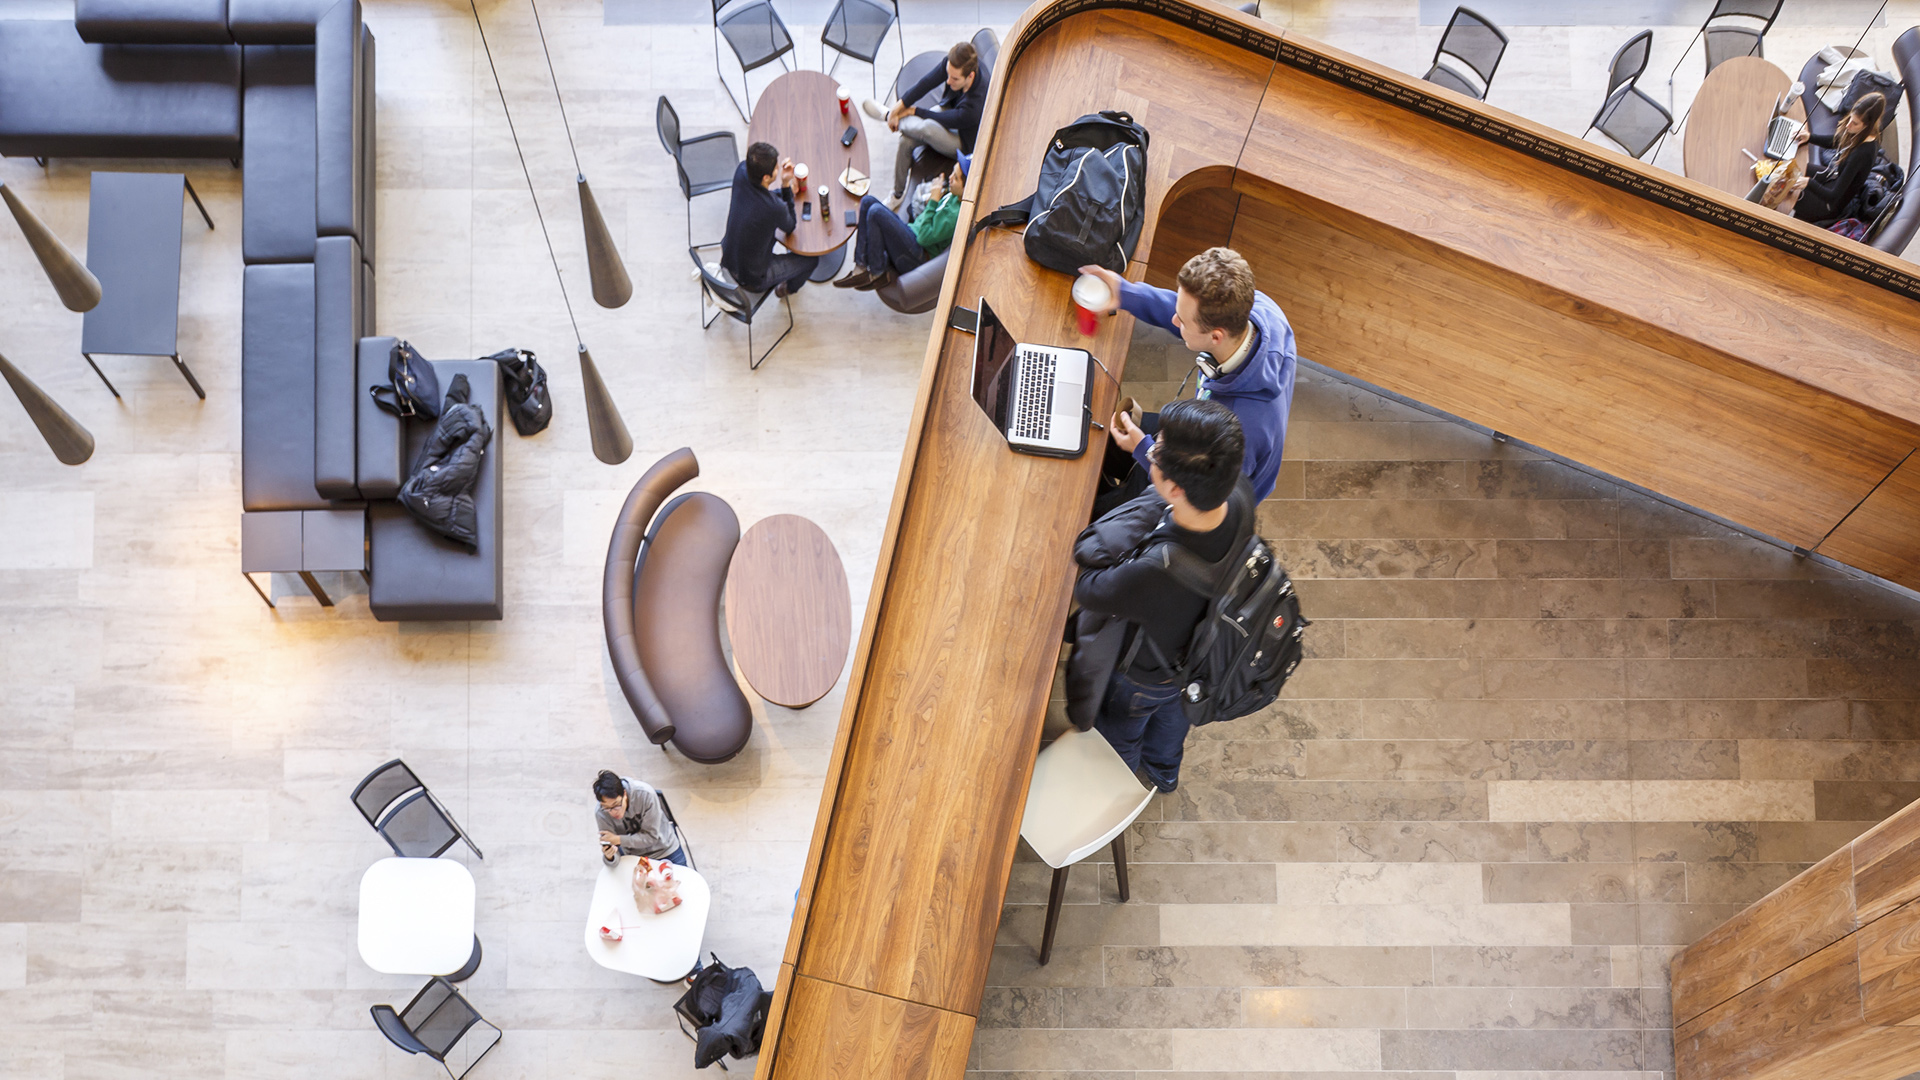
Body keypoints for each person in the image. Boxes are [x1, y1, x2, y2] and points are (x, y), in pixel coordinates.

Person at [1068, 399, 1252, 794]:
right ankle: (1165, 772)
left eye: (1156, 451)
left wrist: (1154, 501)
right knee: (1173, 718)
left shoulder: (1155, 570)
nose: (1150, 450)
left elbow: (1089, 587)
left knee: (1121, 733)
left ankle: (1118, 783)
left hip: (1143, 675)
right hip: (1198, 656)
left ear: (1174, 488)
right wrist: (1148, 454)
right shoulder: (1238, 495)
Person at [1077, 247, 1297, 511]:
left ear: (1216, 337)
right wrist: (1125, 293)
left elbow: (1202, 500)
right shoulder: (1257, 308)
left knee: (1089, 512)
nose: (1173, 319)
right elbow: (1192, 318)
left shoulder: (1239, 429)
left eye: (1181, 320)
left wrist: (1146, 452)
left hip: (1206, 487)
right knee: (1095, 432)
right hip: (1193, 435)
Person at [862, 40, 988, 207]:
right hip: (951, 111)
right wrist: (900, 106)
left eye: (955, 79)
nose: (949, 81)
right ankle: (897, 194)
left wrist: (912, 111)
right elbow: (926, 82)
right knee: (905, 141)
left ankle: (885, 116)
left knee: (927, 128)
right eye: (948, 75)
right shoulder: (955, 66)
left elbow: (946, 119)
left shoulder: (976, 105)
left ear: (970, 76)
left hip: (964, 141)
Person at [835, 155, 968, 292]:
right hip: (911, 233)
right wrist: (932, 202)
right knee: (867, 201)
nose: (950, 178)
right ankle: (860, 267)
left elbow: (923, 238)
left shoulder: (954, 216)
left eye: (956, 178)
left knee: (875, 212)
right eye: (953, 172)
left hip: (918, 255)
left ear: (966, 189)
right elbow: (929, 219)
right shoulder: (953, 195)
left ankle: (877, 272)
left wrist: (933, 201)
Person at [720, 141, 818, 299]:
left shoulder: (741, 171)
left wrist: (784, 192)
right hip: (753, 278)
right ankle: (786, 289)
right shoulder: (773, 208)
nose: (778, 168)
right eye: (776, 168)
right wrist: (786, 185)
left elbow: (759, 196)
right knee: (812, 260)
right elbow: (790, 225)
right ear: (766, 177)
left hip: (729, 257)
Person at [1788, 92, 1887, 226]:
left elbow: (1833, 195)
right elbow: (1838, 141)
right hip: (1833, 180)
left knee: (1786, 192)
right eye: (1851, 118)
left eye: (1855, 123)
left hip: (1830, 205)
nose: (1848, 125)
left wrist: (1808, 183)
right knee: (1792, 167)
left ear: (1867, 125)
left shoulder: (1861, 155)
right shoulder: (1861, 134)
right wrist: (1810, 137)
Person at [592, 770, 687, 867]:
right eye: (607, 808)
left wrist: (618, 839)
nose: (613, 812)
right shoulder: (601, 813)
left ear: (624, 794)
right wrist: (610, 857)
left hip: (665, 849)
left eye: (616, 805)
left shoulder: (645, 794)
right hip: (634, 857)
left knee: (684, 880)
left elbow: (651, 838)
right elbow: (613, 858)